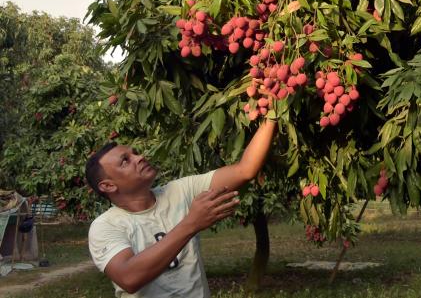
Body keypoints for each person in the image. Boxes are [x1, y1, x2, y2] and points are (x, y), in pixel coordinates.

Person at [84, 118, 277, 297]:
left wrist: (272, 115)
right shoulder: (106, 226)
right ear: (108, 186)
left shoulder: (180, 191)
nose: (140, 157)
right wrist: (191, 223)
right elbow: (129, 278)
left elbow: (245, 170)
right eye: (125, 161)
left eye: (134, 153)